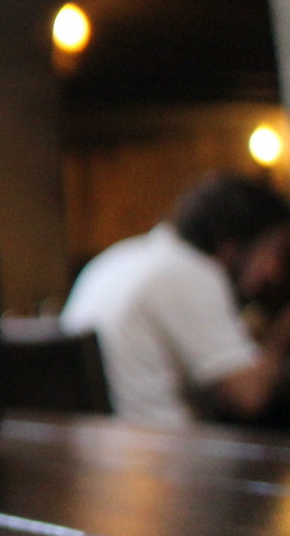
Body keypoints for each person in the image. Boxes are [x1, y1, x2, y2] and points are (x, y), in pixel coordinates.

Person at [62, 173, 290, 427]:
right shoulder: (189, 271)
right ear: (232, 245)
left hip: (101, 446)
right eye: (271, 251)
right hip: (158, 455)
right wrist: (281, 337)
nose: (273, 270)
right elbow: (249, 397)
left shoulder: (119, 257)